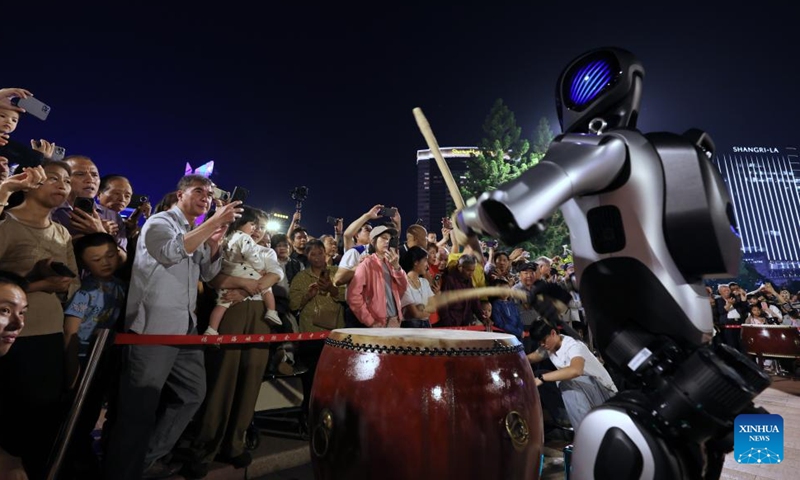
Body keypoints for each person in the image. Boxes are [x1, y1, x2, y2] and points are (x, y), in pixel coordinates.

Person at [102, 174, 243, 480]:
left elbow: (207, 272)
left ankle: (141, 460)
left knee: (192, 393)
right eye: (198, 192)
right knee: (137, 409)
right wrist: (211, 223)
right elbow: (169, 252)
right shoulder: (159, 223)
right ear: (180, 195)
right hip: (153, 329)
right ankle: (120, 470)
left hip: (185, 327)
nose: (206, 198)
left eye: (209, 194)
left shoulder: (196, 229)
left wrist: (216, 241)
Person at [0, 159, 80, 480]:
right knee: (11, 416)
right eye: (54, 178)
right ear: (30, 181)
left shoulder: (62, 233)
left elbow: (75, 284)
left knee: (43, 415)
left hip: (50, 334)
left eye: (66, 180)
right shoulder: (6, 224)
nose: (63, 185)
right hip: (12, 339)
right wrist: (35, 283)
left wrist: (60, 284)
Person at [62, 233, 126, 477]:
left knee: (93, 406)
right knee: (79, 410)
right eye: (96, 259)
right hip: (82, 356)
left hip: (105, 355)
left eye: (110, 255)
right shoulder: (83, 292)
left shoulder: (122, 286)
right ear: (84, 263)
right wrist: (71, 369)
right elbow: (71, 330)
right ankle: (75, 455)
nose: (106, 262)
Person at [205, 206, 282, 336]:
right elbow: (213, 279)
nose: (256, 230)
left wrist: (244, 291)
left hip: (259, 307)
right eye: (254, 225)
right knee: (229, 353)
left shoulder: (267, 251)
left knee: (256, 353)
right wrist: (244, 283)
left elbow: (275, 275)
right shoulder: (227, 243)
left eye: (261, 227)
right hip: (231, 305)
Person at [527, 322, 617, 430]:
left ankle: (585, 432)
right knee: (539, 375)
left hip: (604, 393)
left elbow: (576, 371)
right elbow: (531, 358)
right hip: (584, 390)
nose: (542, 344)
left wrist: (542, 378)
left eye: (543, 340)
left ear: (553, 333)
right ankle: (565, 419)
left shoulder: (573, 345)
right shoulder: (550, 347)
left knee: (564, 381)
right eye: (539, 342)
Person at [347, 225, 408, 327]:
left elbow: (404, 287)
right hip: (378, 323)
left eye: (389, 239)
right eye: (383, 238)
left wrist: (397, 267)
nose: (387, 241)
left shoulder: (391, 262)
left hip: (395, 320)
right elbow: (353, 296)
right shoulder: (366, 264)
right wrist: (370, 321)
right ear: (373, 241)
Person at [398, 245, 437, 328]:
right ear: (416, 262)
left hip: (426, 326)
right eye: (425, 260)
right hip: (410, 328)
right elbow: (415, 313)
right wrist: (426, 309)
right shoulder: (404, 283)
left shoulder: (424, 282)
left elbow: (434, 307)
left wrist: (421, 308)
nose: (427, 265)